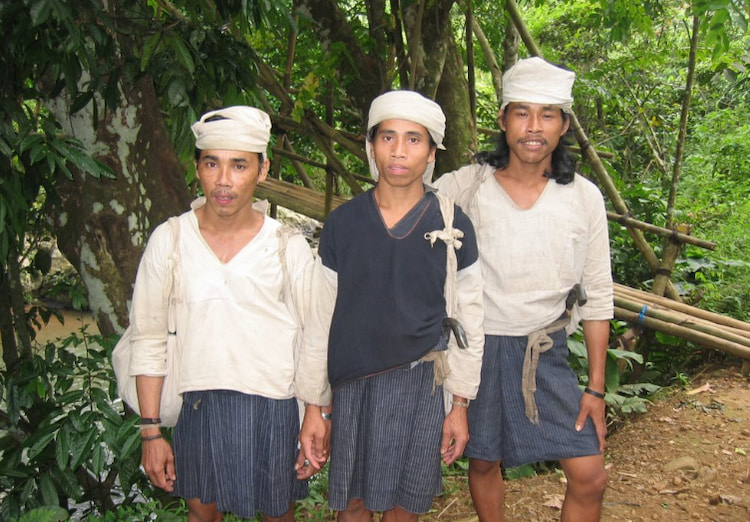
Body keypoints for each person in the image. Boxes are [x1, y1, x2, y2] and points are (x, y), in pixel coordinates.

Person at [129, 106, 331, 522]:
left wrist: (316, 411)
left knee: (278, 514)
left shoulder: (286, 246)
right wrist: (151, 432)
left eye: (239, 165)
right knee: (203, 515)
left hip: (273, 407)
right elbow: (147, 337)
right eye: (212, 163)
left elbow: (315, 335)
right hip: (200, 405)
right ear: (198, 168)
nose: (224, 180)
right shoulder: (170, 241)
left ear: (262, 170)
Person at [433, 57, 613, 521]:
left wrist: (595, 388)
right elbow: (408, 208)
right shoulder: (465, 188)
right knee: (485, 459)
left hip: (545, 349)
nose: (534, 127)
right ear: (502, 119)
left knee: (590, 474)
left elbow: (597, 293)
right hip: (480, 347)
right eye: (522, 112)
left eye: (547, 114)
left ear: (564, 124)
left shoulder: (584, 197)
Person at [305, 90, 485, 521]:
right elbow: (320, 319)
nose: (399, 151)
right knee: (352, 504)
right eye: (387, 138)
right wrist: (316, 404)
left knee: (406, 504)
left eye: (413, 139)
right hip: (353, 386)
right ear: (371, 147)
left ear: (431, 154)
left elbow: (470, 317)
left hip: (420, 382)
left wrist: (459, 405)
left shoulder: (452, 224)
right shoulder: (344, 224)